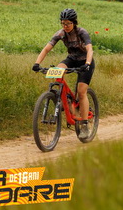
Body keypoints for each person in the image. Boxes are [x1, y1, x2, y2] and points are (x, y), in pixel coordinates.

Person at [32, 8, 94, 140]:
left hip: (85, 61)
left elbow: (90, 49)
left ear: (74, 23)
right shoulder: (60, 34)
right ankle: (64, 99)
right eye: (63, 23)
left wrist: (87, 63)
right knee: (57, 71)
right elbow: (46, 49)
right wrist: (37, 64)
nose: (65, 26)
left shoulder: (82, 32)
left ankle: (84, 125)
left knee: (81, 92)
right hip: (71, 59)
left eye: (68, 23)